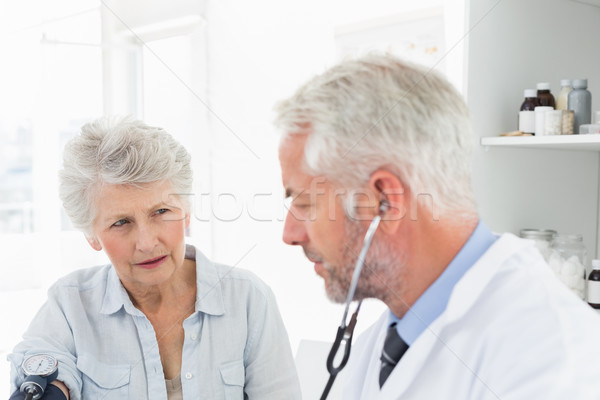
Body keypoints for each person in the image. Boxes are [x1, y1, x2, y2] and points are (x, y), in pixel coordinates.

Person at [274, 53, 600, 399]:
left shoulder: (550, 363)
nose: (289, 234)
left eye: (305, 203)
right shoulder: (386, 341)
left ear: (385, 199)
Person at [8, 116, 301, 400]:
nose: (147, 243)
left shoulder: (249, 299)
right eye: (121, 222)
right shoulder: (69, 306)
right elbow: (40, 362)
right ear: (92, 235)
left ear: (186, 211)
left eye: (161, 212)